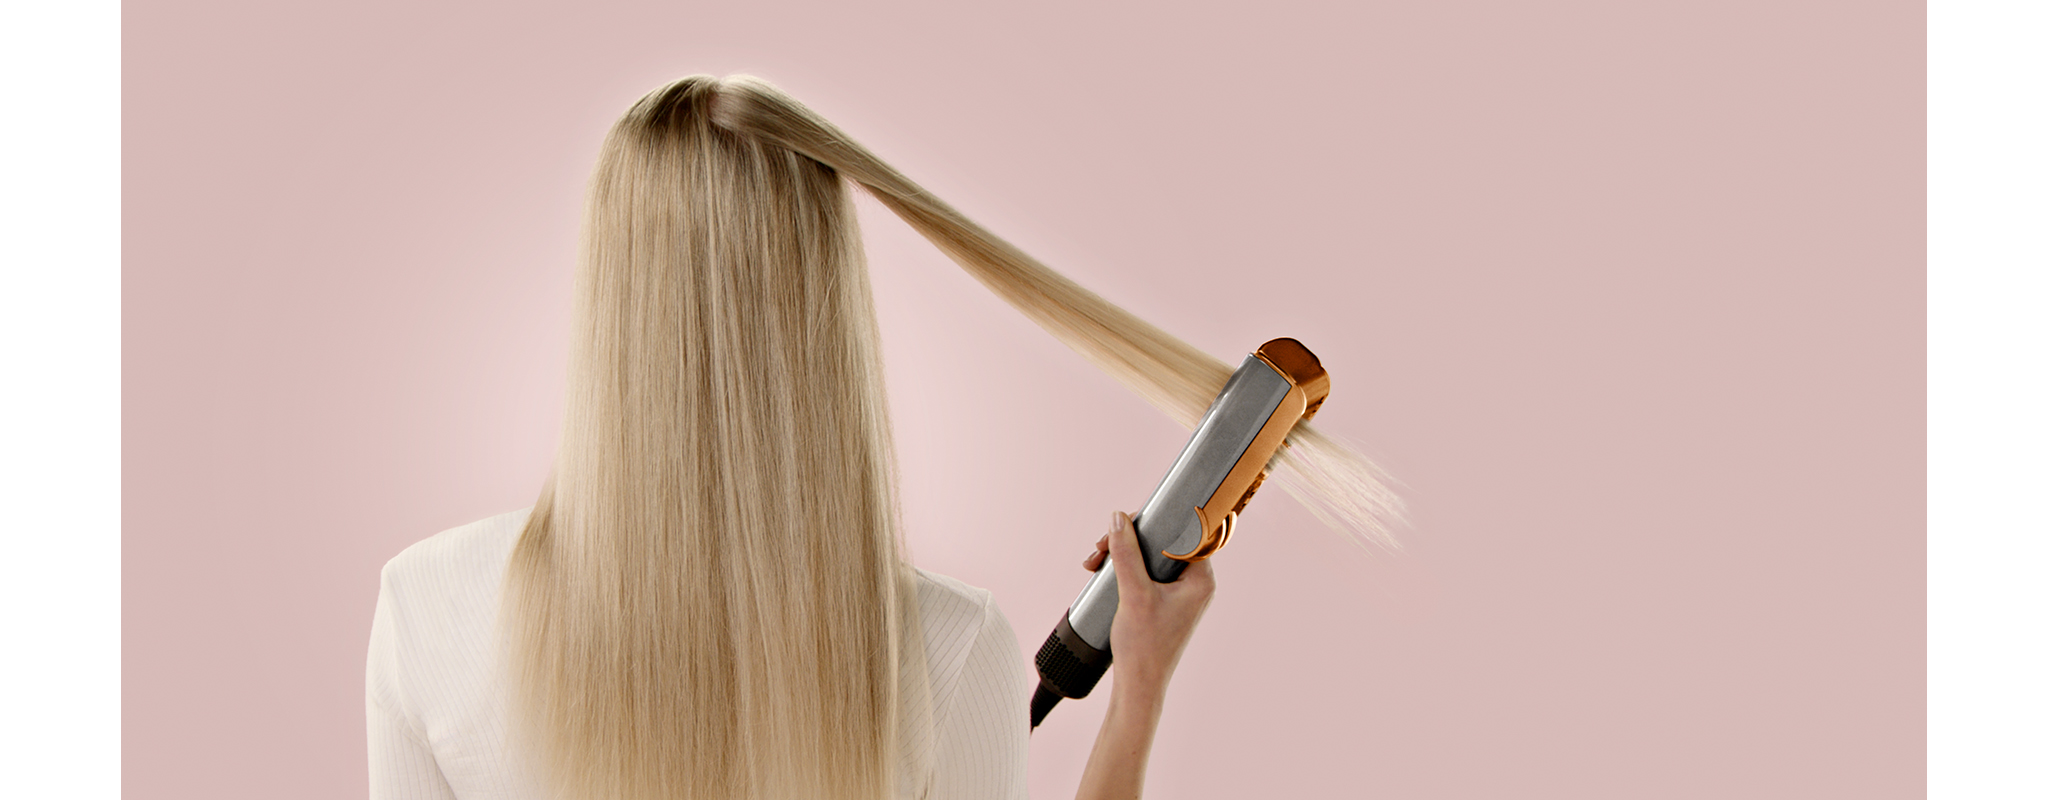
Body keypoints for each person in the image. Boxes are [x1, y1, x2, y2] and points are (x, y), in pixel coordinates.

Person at [366, 74, 1374, 800]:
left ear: (606, 295)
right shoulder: (948, 649)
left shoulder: (424, 607)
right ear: (824, 306)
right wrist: (1138, 686)